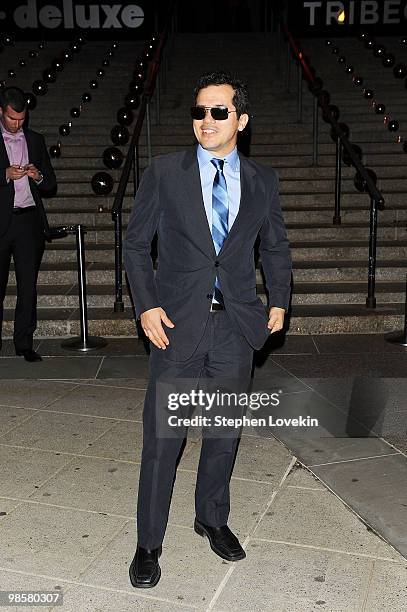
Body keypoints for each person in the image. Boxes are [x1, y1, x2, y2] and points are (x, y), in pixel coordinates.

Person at [124, 70, 292, 588]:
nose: (206, 120)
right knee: (163, 440)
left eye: (218, 111)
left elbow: (275, 247)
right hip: (175, 327)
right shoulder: (164, 173)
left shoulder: (263, 179)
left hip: (235, 328)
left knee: (223, 434)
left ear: (240, 119)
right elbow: (135, 245)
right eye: (199, 111)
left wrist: (280, 301)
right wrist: (147, 306)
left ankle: (211, 518)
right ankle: (148, 543)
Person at [0, 86, 56, 362]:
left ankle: (24, 343)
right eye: (12, 118)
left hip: (28, 222)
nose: (17, 123)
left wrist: (38, 176)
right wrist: (4, 174)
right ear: (1, 112)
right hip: (2, 221)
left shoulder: (35, 140)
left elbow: (51, 184)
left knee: (27, 287)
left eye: (21, 119)